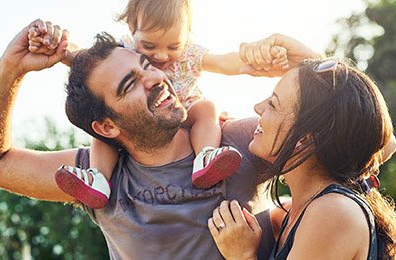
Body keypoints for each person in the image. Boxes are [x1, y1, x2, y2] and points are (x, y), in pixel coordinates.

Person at [0, 20, 309, 259]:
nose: (156, 78)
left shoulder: (235, 143)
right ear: (107, 127)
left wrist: (310, 62)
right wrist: (11, 67)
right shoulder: (98, 177)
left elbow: (348, 134)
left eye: (147, 65)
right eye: (130, 84)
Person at [27, 0, 289, 209]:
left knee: (206, 109)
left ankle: (206, 156)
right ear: (132, 29)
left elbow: (223, 61)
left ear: (187, 34)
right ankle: (98, 178)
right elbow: (88, 61)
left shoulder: (189, 54)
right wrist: (56, 46)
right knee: (105, 133)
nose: (161, 56)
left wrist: (250, 63)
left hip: (184, 111)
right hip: (142, 121)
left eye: (173, 45)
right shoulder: (125, 51)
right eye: (149, 46)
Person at [207, 36, 396, 259]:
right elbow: (375, 140)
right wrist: (314, 67)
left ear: (305, 139)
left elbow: (379, 140)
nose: (258, 107)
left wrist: (244, 255)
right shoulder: (295, 212)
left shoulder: (333, 213)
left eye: (273, 104)